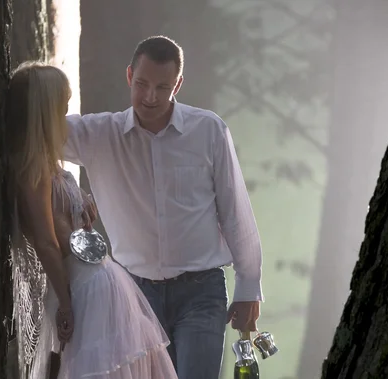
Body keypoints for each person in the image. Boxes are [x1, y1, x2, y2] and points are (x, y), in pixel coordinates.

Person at [63, 36, 264, 378]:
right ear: (129, 76)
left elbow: (235, 212)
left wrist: (249, 287)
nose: (150, 97)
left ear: (178, 84)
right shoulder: (99, 135)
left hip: (201, 291)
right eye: (141, 84)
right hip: (133, 294)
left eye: (162, 86)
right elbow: (37, 134)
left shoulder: (208, 130)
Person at [6, 61, 178, 379]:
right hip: (83, 287)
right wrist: (67, 304)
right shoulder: (34, 170)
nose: (65, 117)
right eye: (61, 108)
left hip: (98, 281)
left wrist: (78, 204)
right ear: (44, 112)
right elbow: (46, 242)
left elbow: (59, 227)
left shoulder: (46, 163)